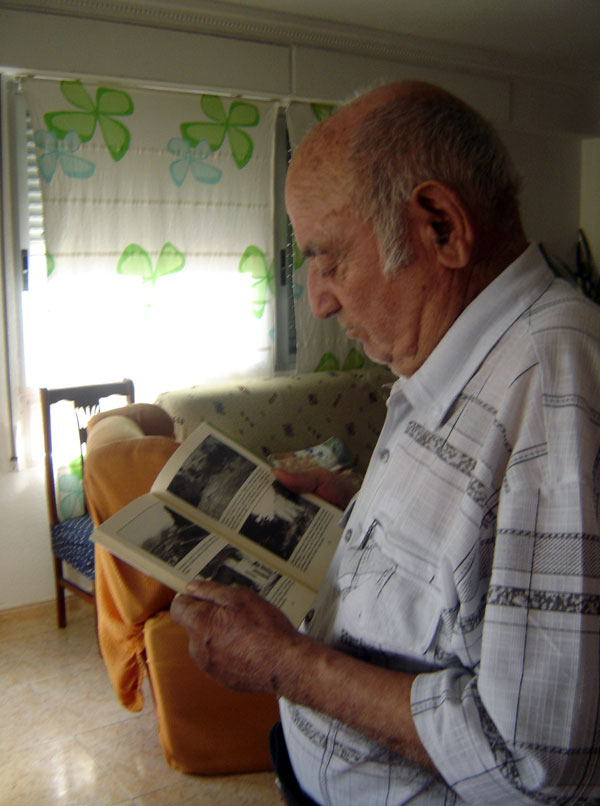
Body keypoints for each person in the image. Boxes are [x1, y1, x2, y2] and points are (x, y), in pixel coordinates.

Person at [171, 81, 600, 805]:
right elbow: (470, 560)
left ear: (439, 226)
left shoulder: (556, 383)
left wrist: (286, 666)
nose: (317, 298)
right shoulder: (452, 352)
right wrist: (352, 506)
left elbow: (535, 764)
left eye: (329, 258)